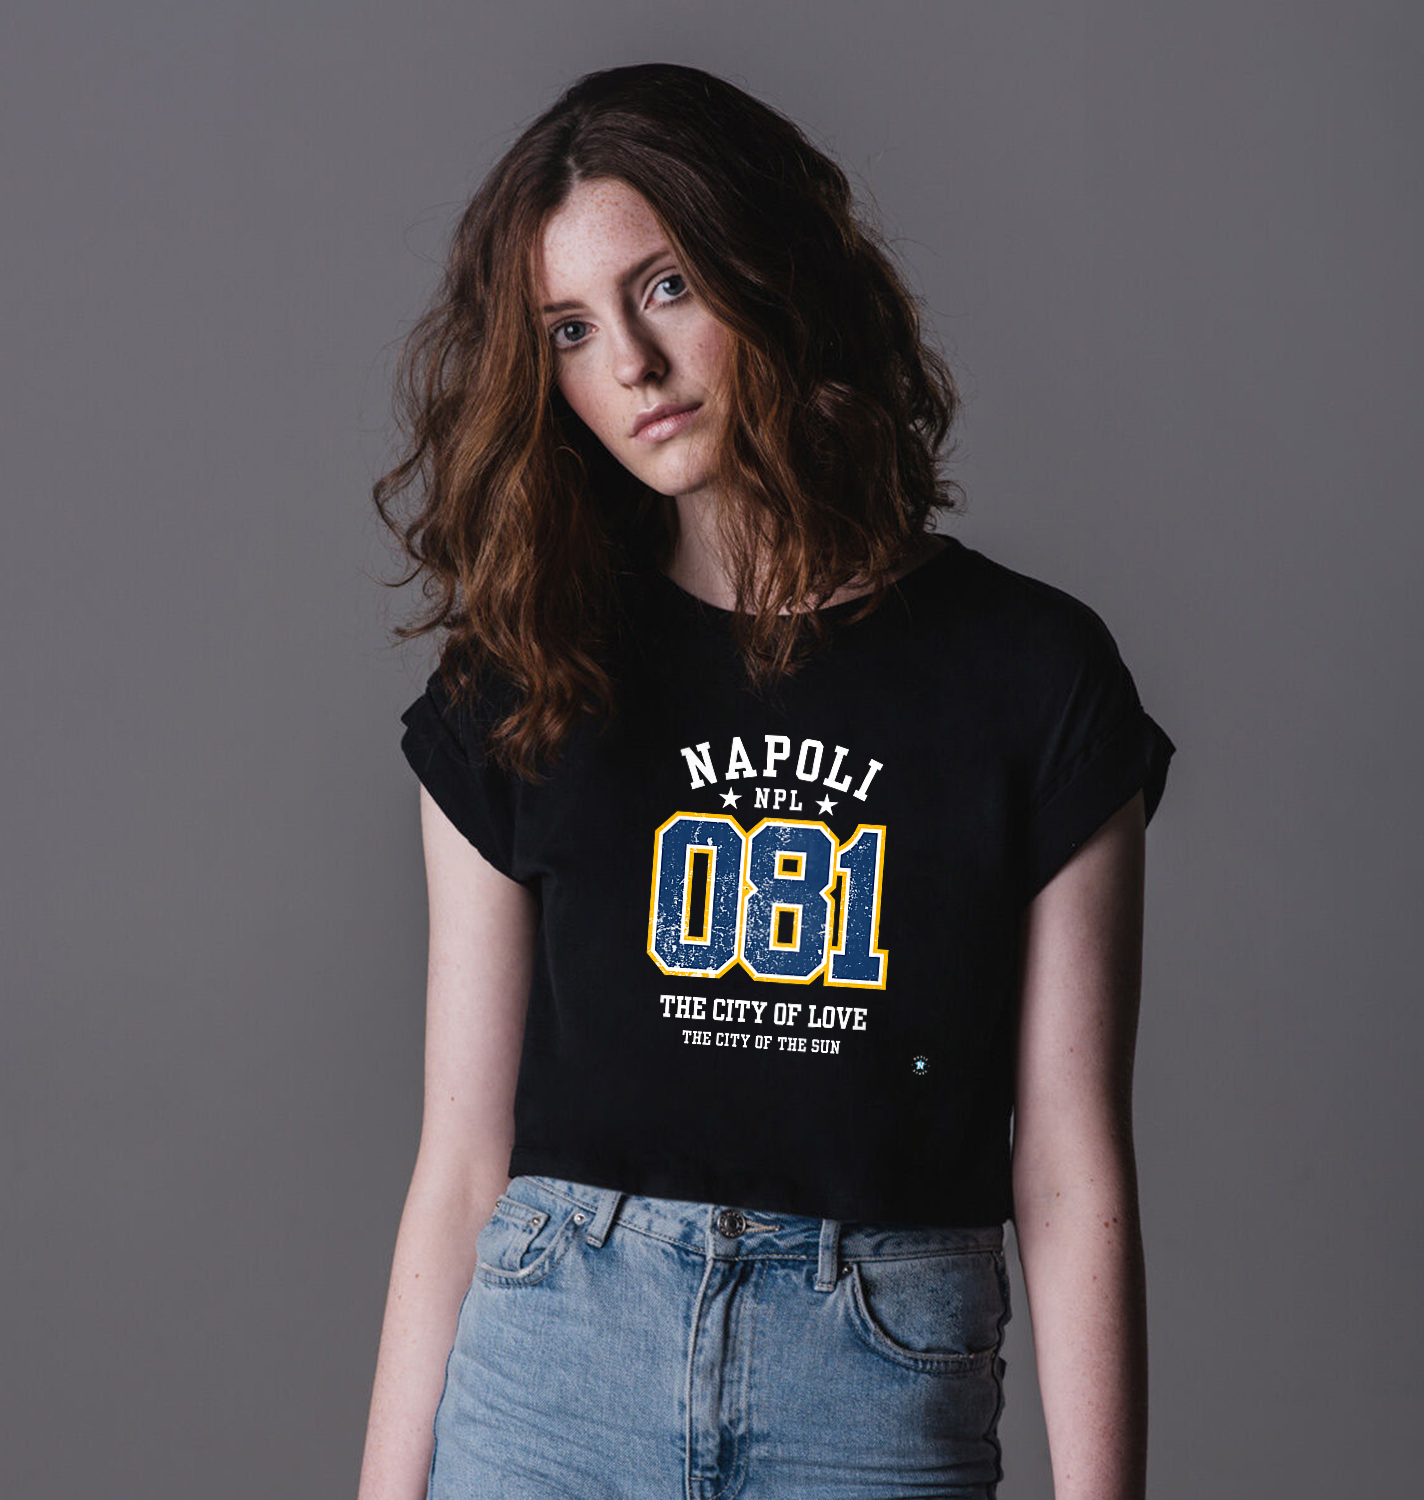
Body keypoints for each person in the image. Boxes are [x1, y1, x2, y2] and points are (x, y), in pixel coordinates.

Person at [358, 62, 1175, 1500]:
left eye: (666, 287)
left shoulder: (1034, 675)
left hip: (871, 1387)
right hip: (552, 1377)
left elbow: (1067, 1166)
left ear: (773, 267)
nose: (630, 363)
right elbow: (462, 1164)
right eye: (569, 330)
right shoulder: (524, 675)